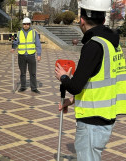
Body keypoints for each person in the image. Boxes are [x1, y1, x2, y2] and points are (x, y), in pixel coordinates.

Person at [55, 0, 126, 160]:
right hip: (105, 118)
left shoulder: (93, 45)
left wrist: (63, 77)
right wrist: (72, 101)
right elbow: (103, 82)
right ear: (103, 19)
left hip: (91, 124)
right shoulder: (113, 44)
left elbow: (75, 85)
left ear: (82, 20)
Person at [11, 17, 42, 94]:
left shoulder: (34, 33)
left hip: (31, 55)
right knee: (22, 73)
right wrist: (13, 48)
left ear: (30, 24)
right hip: (21, 56)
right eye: (24, 24)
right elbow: (15, 42)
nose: (26, 25)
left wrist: (39, 54)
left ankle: (34, 88)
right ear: (22, 25)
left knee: (33, 73)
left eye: (27, 24)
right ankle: (23, 87)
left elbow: (38, 44)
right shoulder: (18, 33)